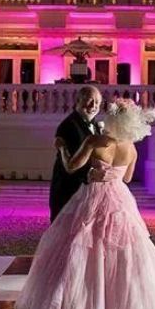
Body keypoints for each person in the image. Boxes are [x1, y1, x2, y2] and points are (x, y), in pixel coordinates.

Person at [15, 98, 155, 309]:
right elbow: (126, 179)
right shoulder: (131, 147)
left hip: (93, 196)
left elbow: (72, 167)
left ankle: (80, 308)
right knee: (121, 250)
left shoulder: (95, 141)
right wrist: (110, 173)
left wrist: (62, 147)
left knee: (83, 246)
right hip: (120, 198)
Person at [49, 86, 111, 222]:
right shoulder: (69, 125)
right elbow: (71, 164)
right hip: (68, 188)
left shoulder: (95, 124)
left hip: (85, 190)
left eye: (97, 102)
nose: (93, 106)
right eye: (89, 100)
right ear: (77, 101)